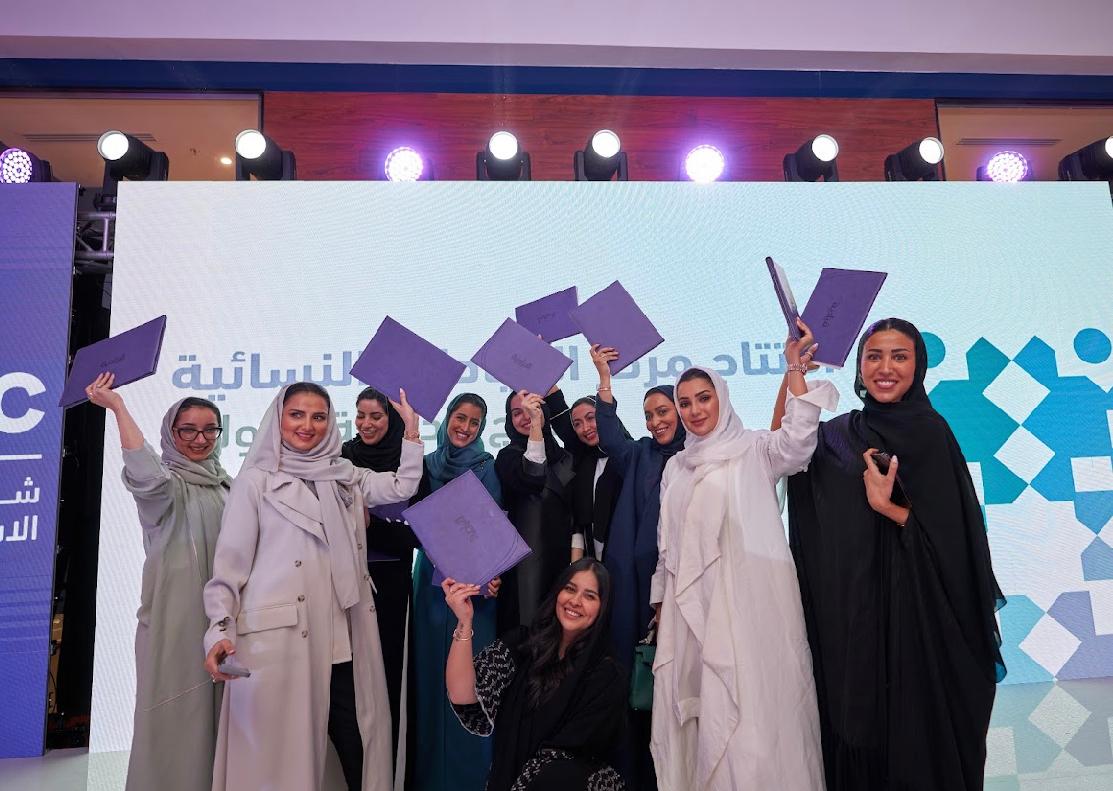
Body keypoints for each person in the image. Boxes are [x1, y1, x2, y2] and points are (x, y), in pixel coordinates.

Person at [780, 318, 1006, 791]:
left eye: (899, 357)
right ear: (860, 367)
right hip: (857, 626)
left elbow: (957, 543)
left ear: (917, 366)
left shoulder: (930, 433)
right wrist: (793, 371)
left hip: (919, 629)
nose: (885, 368)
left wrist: (891, 508)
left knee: (915, 746)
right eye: (874, 356)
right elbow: (790, 449)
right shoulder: (843, 432)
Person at [202, 382, 423, 791]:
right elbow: (228, 570)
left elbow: (400, 486)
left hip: (342, 636)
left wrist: (410, 430)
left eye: (318, 416)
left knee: (359, 746)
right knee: (279, 761)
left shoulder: (343, 475)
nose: (307, 425)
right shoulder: (255, 482)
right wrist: (219, 629)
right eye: (297, 415)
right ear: (279, 419)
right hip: (280, 638)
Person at [650, 322, 838, 790]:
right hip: (691, 613)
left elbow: (797, 443)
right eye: (685, 402)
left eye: (704, 398)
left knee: (754, 716)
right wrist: (661, 603)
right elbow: (666, 545)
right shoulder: (676, 467)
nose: (694, 410)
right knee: (701, 716)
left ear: (722, 399)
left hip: (751, 611)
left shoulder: (754, 449)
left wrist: (794, 370)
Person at [86, 372, 229, 791]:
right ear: (171, 432)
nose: (200, 439)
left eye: (210, 430)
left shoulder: (227, 486)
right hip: (174, 621)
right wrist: (118, 407)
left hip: (222, 621)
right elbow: (144, 470)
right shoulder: (166, 486)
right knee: (175, 714)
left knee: (223, 715)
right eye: (188, 430)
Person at [589, 344, 687, 789]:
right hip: (633, 587)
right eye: (648, 415)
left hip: (683, 585)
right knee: (634, 679)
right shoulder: (639, 453)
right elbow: (610, 435)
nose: (655, 422)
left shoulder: (697, 457)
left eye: (663, 411)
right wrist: (604, 380)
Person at [443, 558, 628, 791]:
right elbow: (463, 695)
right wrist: (464, 621)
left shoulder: (607, 676)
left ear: (602, 609)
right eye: (570, 589)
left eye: (589, 596)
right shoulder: (523, 645)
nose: (575, 601)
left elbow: (568, 759)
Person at [410, 393, 502, 791]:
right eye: (459, 418)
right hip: (432, 584)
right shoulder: (426, 465)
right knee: (431, 677)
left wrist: (492, 574)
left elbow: (494, 526)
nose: (465, 428)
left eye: (474, 422)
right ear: (448, 419)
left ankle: (472, 779)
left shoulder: (486, 466)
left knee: (470, 682)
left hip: (474, 586)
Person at [341, 386, 417, 777]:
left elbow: (417, 534)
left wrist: (373, 525)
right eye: (361, 415)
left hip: (393, 586)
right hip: (346, 583)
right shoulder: (341, 458)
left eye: (376, 416)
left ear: (393, 420)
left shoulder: (410, 461)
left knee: (388, 677)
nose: (366, 424)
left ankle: (386, 773)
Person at [495, 389, 575, 632]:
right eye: (517, 413)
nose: (525, 417)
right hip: (524, 570)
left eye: (533, 409)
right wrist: (537, 429)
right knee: (525, 636)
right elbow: (533, 477)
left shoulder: (565, 457)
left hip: (565, 562)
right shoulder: (507, 457)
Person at [547, 389, 628, 562]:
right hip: (593, 561)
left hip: (626, 560)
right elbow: (579, 523)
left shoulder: (631, 456)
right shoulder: (583, 465)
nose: (585, 428)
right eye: (577, 424)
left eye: (591, 418)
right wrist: (577, 567)